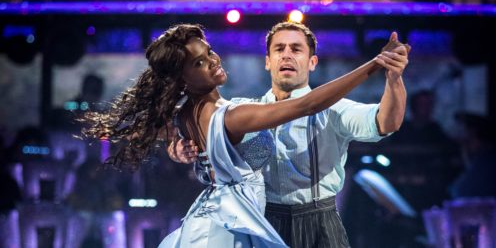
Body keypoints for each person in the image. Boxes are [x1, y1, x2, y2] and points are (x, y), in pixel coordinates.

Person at [82, 23, 407, 247]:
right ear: (267, 61)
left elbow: (386, 122)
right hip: (255, 221)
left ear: (312, 60)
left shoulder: (332, 109)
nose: (287, 55)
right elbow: (307, 105)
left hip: (317, 219)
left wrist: (176, 148)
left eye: (296, 48)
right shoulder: (239, 111)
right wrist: (373, 64)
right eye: (279, 49)